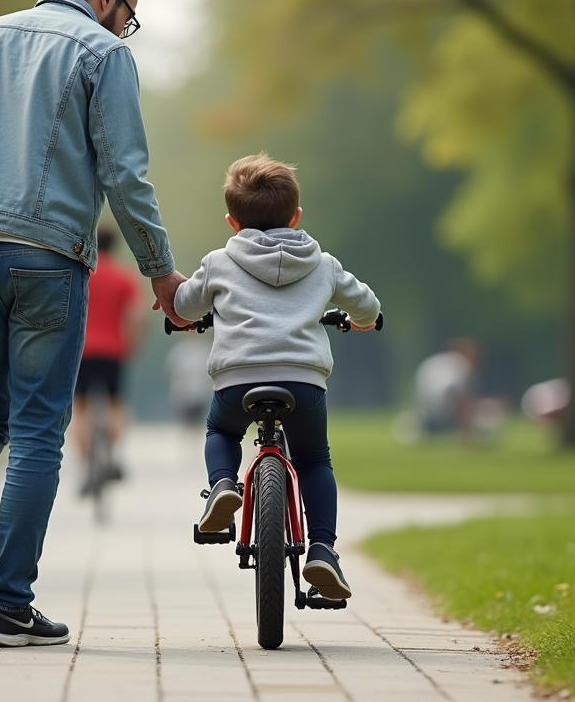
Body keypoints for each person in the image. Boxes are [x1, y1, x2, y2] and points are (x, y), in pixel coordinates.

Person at [0, 0, 188, 648]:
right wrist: (161, 271)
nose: (126, 29)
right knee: (36, 429)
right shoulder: (102, 53)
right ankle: (7, 604)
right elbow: (125, 173)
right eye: (129, 15)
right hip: (49, 257)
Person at [173, 154, 380, 602]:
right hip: (303, 382)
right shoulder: (323, 263)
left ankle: (224, 486)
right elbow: (367, 304)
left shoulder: (218, 261)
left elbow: (186, 306)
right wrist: (364, 319)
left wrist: (186, 311)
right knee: (313, 461)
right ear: (296, 216)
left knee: (219, 429)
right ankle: (323, 549)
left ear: (232, 221)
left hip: (236, 379)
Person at [71, 227, 143, 491]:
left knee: (79, 409)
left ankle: (86, 464)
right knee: (115, 404)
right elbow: (137, 315)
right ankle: (111, 456)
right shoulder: (123, 277)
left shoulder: (81, 273)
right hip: (113, 351)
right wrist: (132, 344)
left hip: (80, 351)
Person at [415, 338, 479, 438]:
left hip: (425, 417)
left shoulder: (434, 361)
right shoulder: (461, 363)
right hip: (446, 418)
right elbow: (455, 392)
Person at [164, 330, 212, 435]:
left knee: (199, 423)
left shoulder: (207, 350)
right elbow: (173, 372)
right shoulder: (180, 351)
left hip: (201, 394)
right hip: (184, 395)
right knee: (187, 424)